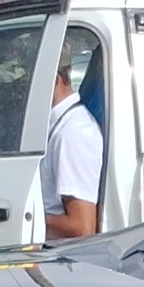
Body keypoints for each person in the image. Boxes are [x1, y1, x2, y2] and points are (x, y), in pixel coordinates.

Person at [43, 36, 104, 240]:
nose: (15, 91)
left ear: (54, 80)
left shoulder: (72, 134)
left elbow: (81, 229)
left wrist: (24, 217)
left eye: (23, 82)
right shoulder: (56, 125)